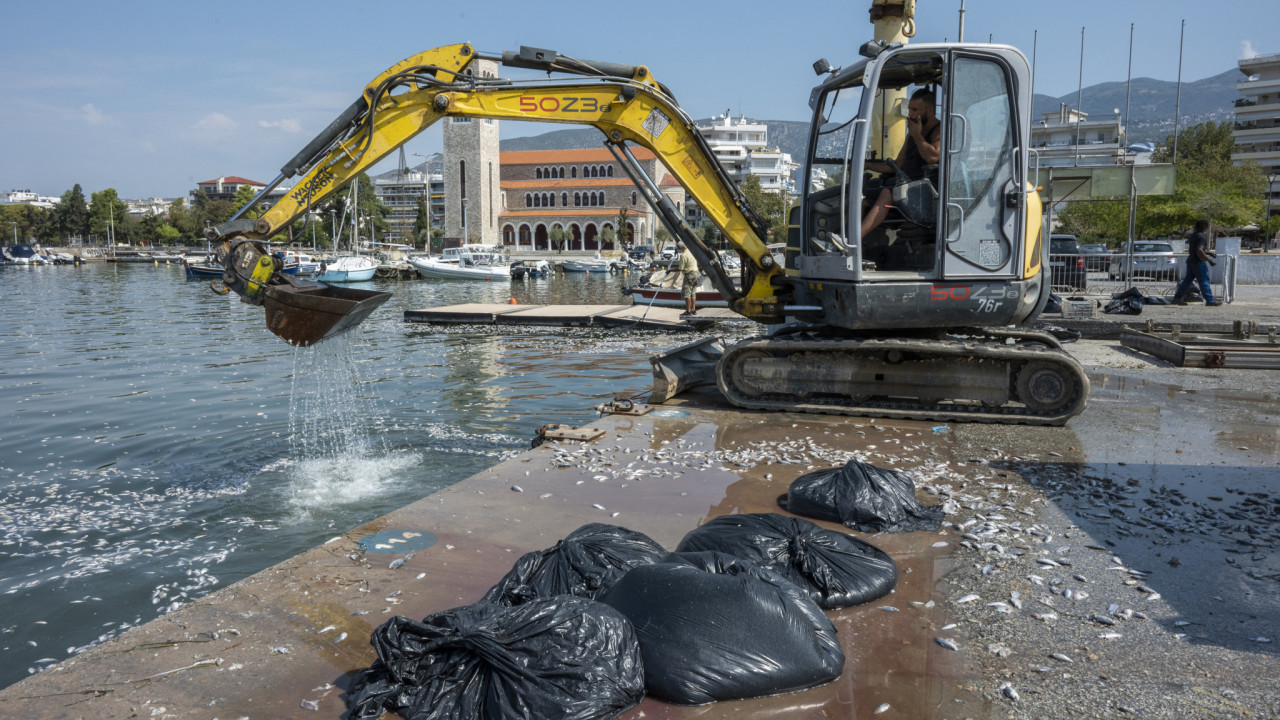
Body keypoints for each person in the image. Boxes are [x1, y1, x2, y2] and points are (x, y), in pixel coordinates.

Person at [861, 87, 942, 239]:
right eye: (909, 109)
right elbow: (898, 164)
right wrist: (866, 165)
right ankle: (841, 241)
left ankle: (853, 241)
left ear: (930, 110)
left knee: (887, 192)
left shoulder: (939, 130)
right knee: (863, 200)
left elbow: (932, 158)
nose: (910, 114)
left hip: (925, 192)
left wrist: (917, 135)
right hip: (906, 187)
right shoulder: (911, 135)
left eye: (915, 110)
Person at [1172, 219, 1220, 306]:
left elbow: (1195, 250)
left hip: (1190, 261)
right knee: (1204, 281)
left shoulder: (1193, 235)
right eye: (1207, 226)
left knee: (1187, 281)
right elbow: (1199, 250)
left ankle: (1177, 298)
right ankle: (1210, 300)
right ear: (1204, 227)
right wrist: (1209, 260)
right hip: (1199, 263)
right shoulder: (1201, 237)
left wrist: (1208, 252)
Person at [677, 240, 699, 317]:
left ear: (682, 247)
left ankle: (688, 311)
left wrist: (671, 270)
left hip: (689, 274)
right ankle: (693, 309)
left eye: (678, 246)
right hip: (695, 273)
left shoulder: (683, 255)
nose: (677, 247)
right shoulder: (692, 252)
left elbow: (680, 268)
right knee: (693, 292)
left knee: (687, 293)